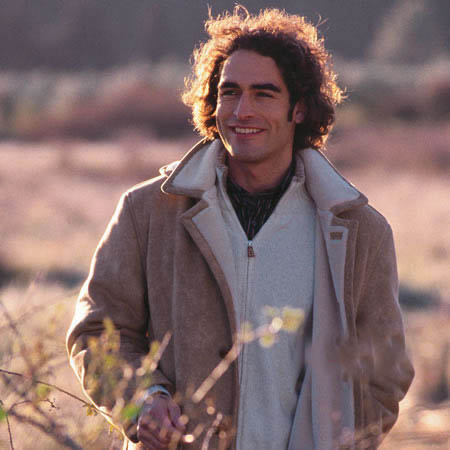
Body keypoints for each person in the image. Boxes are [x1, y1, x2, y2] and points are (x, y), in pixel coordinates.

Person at [67, 6, 414, 450]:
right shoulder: (147, 212)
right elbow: (97, 333)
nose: (241, 111)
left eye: (264, 94)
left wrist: (338, 441)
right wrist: (143, 400)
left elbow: (383, 374)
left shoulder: (359, 231)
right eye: (229, 93)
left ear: (299, 109)